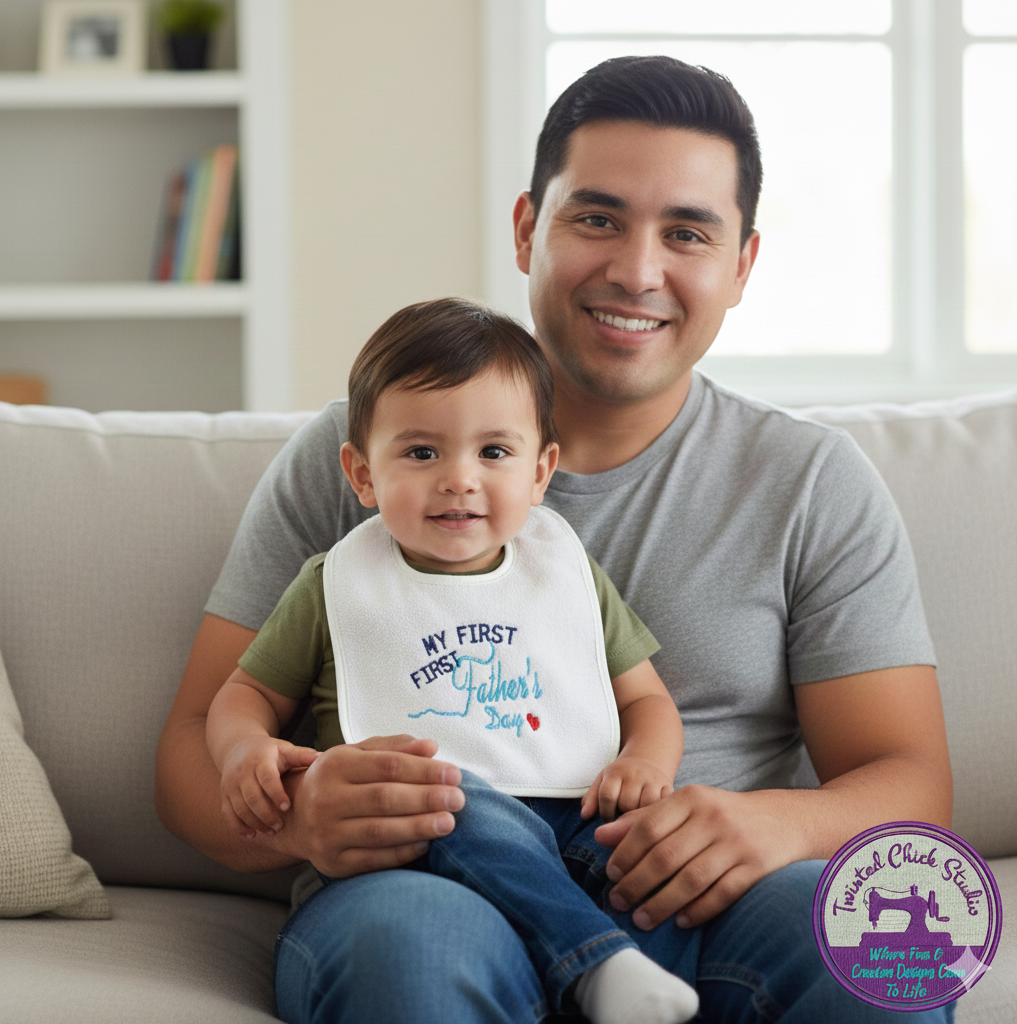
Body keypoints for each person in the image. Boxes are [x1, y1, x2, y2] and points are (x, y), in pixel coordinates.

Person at [156, 56, 955, 1023]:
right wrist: (297, 820)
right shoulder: (365, 458)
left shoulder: (810, 485)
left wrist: (773, 825)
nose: (637, 269)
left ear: (741, 265)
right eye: (598, 218)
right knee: (413, 950)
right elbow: (197, 746)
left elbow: (911, 784)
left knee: (881, 942)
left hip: (701, 899)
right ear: (530, 227)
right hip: (431, 884)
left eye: (688, 232)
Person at [204, 297, 698, 1023]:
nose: (459, 478)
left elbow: (648, 702)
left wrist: (647, 765)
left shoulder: (564, 573)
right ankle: (599, 965)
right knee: (448, 793)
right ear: (362, 473)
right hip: (411, 836)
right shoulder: (335, 584)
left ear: (541, 471)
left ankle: (603, 956)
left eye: (494, 452)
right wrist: (246, 750)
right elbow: (243, 693)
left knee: (644, 853)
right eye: (422, 452)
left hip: (572, 823)